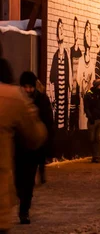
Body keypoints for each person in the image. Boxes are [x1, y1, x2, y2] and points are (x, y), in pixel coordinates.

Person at [0, 60, 47, 230]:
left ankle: (24, 210)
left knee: (25, 183)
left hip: (25, 155)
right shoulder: (12, 97)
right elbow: (36, 134)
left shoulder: (39, 99)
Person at [15, 72, 53, 224]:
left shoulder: (42, 100)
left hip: (34, 148)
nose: (28, 90)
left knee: (29, 180)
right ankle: (21, 197)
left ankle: (24, 210)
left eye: (30, 87)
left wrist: (47, 147)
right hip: (18, 147)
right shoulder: (16, 101)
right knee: (18, 180)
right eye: (25, 87)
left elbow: (48, 124)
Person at [84, 79, 100, 163]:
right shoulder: (89, 95)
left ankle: (97, 156)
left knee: (99, 138)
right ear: (96, 85)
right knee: (92, 138)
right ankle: (94, 154)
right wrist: (90, 116)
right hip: (93, 119)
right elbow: (86, 107)